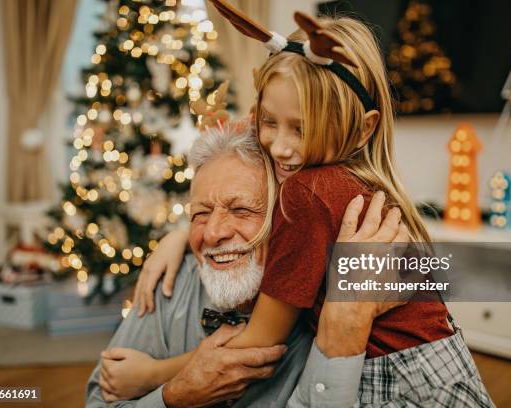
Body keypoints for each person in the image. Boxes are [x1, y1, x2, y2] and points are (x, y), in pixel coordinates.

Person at [130, 4, 494, 406]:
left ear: (364, 127)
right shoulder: (360, 181)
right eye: (268, 121)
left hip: (400, 381)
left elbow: (262, 342)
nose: (280, 146)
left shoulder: (308, 193)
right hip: (447, 366)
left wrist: (152, 375)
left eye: (302, 129)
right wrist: (184, 233)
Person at [86, 123, 405, 407]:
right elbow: (100, 400)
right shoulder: (168, 281)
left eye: (242, 210)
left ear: (286, 222)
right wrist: (175, 397)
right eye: (200, 214)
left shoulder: (334, 300)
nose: (213, 233)